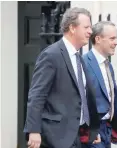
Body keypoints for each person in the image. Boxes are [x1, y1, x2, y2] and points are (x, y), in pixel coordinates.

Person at [23, 7, 101, 148]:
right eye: (86, 27)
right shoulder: (51, 55)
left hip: (78, 136)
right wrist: (33, 130)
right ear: (72, 28)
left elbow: (82, 96)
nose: (90, 31)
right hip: (56, 137)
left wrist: (92, 128)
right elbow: (37, 94)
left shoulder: (79, 58)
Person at [83, 21, 117, 148]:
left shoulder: (108, 65)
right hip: (92, 130)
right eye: (112, 38)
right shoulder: (83, 63)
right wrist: (88, 130)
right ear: (98, 39)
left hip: (107, 129)